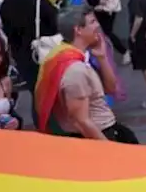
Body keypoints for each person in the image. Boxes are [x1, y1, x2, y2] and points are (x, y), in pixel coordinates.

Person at [39, 7, 137, 142]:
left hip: (107, 129)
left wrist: (102, 58)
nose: (98, 26)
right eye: (92, 22)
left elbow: (110, 89)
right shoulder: (75, 70)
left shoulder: (81, 56)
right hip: (100, 135)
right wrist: (111, 150)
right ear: (78, 30)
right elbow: (81, 121)